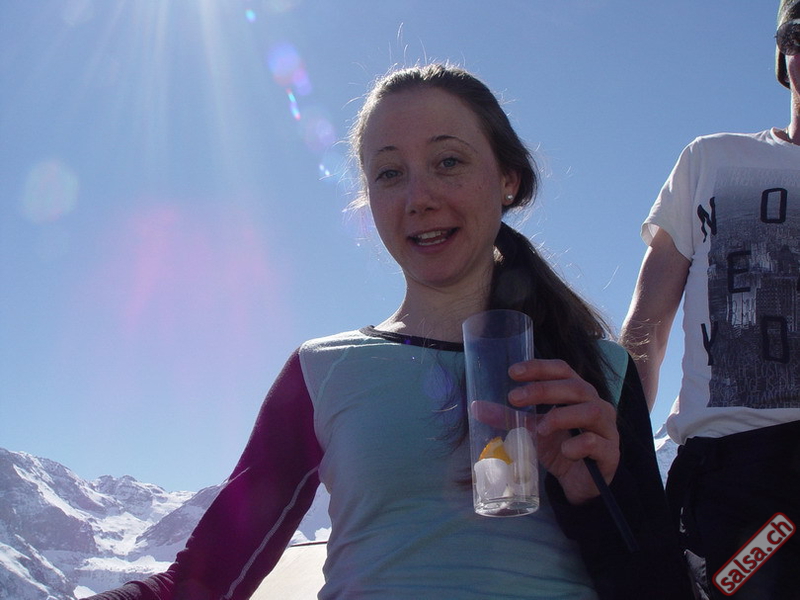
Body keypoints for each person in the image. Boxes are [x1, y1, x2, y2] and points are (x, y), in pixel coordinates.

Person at [88, 63, 690, 600]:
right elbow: (202, 580)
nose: (418, 197)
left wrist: (594, 499)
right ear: (368, 201)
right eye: (389, 173)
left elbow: (659, 584)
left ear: (508, 179)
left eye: (448, 162)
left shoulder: (598, 371)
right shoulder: (322, 370)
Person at [620, 3, 800, 598]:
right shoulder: (713, 160)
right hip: (740, 485)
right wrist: (619, 455)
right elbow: (648, 324)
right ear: (783, 54)